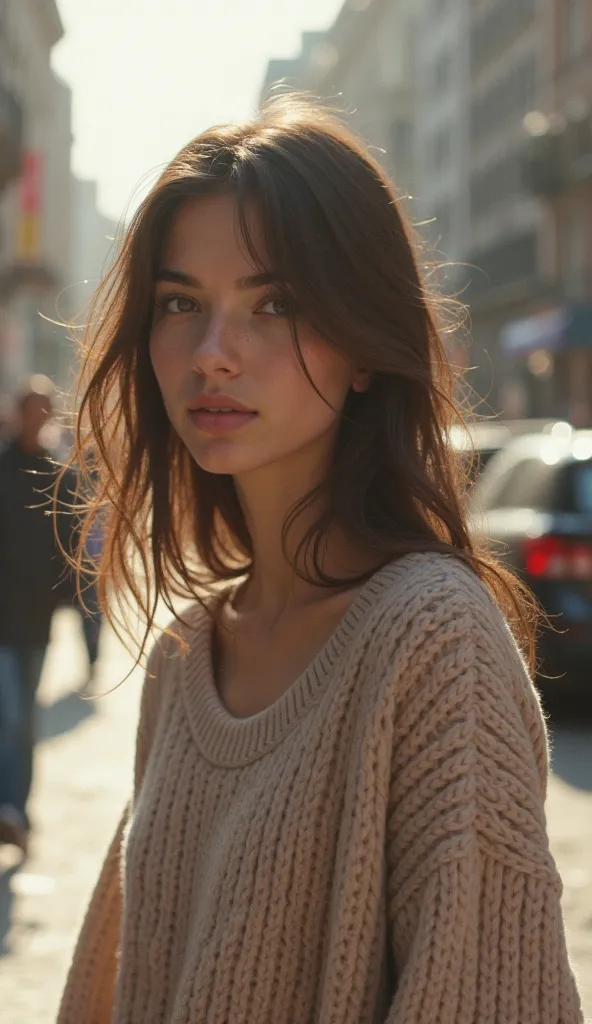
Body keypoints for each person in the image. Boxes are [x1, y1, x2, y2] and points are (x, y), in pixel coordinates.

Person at [57, 98, 584, 1023]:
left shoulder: (432, 642)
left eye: (277, 304)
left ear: (366, 346)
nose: (213, 354)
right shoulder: (186, 650)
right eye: (181, 303)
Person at [0, 376, 76, 853]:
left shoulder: (57, 475)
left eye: (44, 413)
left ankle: (18, 811)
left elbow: (67, 547)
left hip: (36, 622)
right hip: (2, 620)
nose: (38, 421)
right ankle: (8, 808)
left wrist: (70, 597)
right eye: (31, 411)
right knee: (9, 716)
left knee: (24, 720)